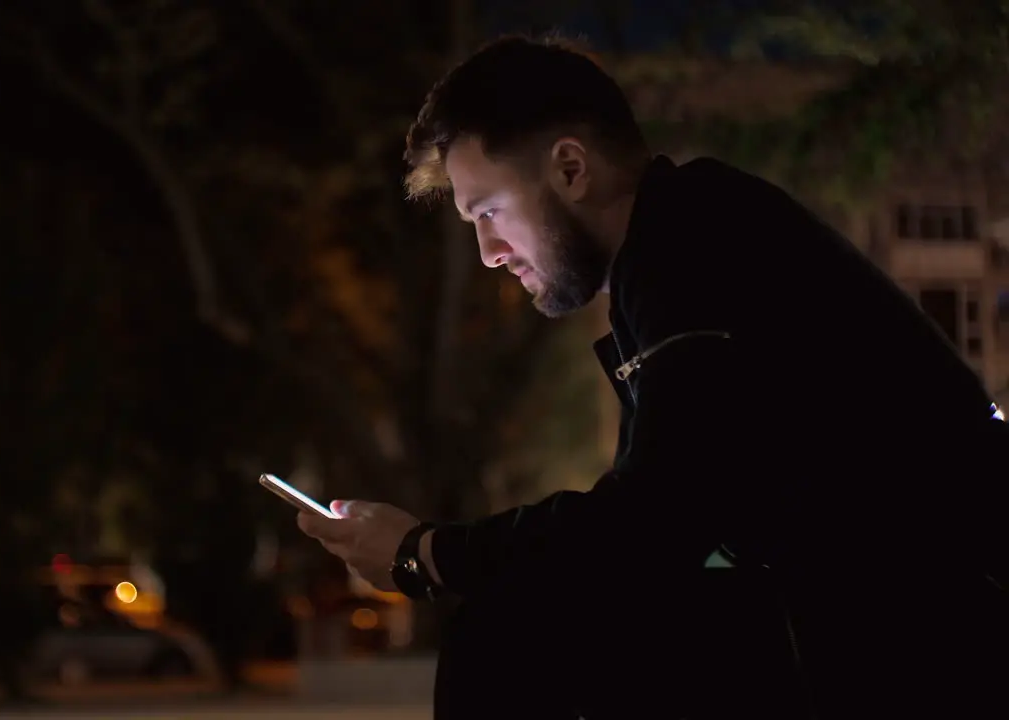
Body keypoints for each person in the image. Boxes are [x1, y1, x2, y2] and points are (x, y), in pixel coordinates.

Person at [297, 34, 1009, 719]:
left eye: (489, 212)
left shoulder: (693, 241)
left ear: (571, 168)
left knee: (513, 627)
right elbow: (655, 524)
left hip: (939, 632)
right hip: (863, 618)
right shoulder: (668, 256)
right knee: (537, 614)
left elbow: (655, 520)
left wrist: (426, 554)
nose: (488, 252)